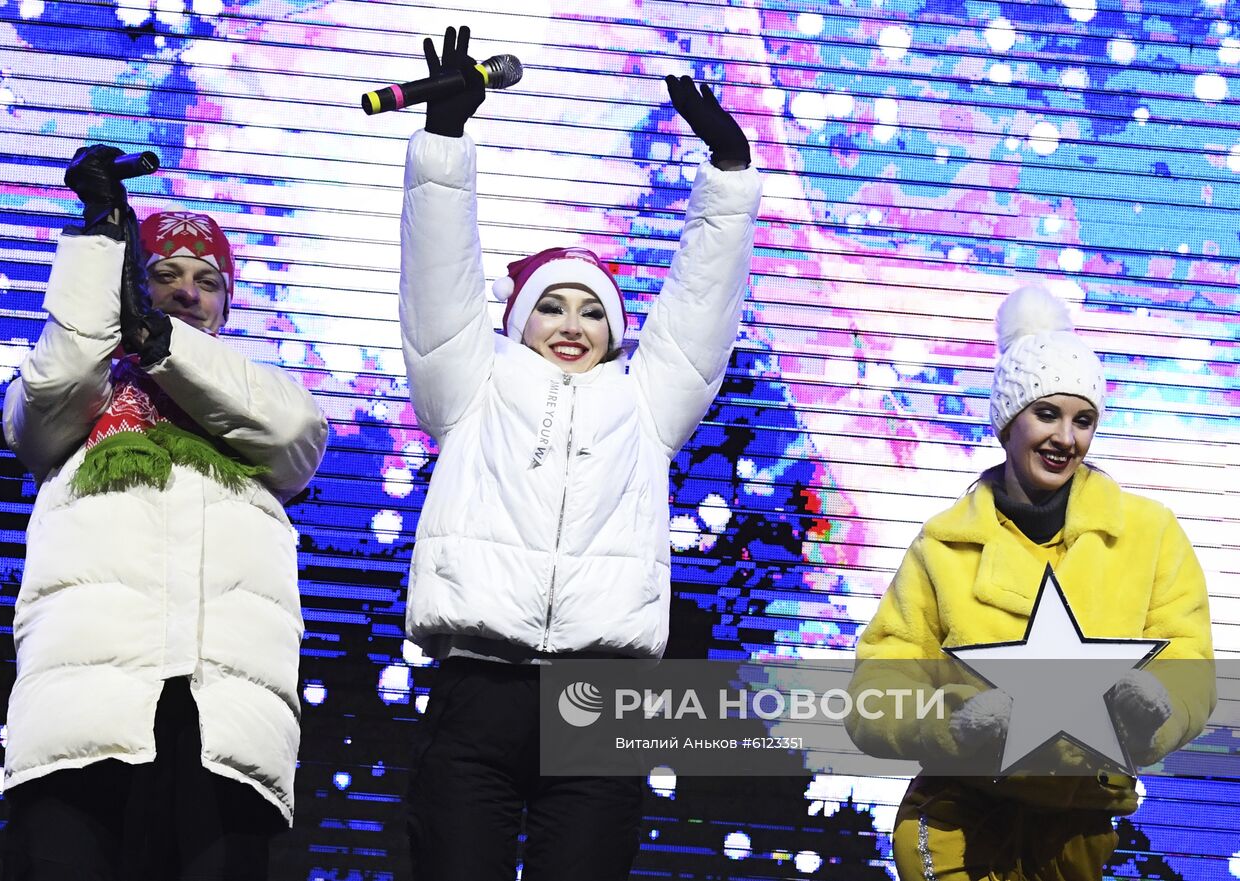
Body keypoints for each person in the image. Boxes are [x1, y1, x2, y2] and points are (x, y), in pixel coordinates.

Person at [395, 25, 764, 881]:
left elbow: (702, 306)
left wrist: (730, 179)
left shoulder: (645, 403)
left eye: (591, 310)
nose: (571, 325)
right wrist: (443, 142)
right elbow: (437, 280)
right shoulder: (470, 385)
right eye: (550, 307)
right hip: (478, 688)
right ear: (517, 321)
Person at [0, 145, 329, 880]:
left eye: (206, 281)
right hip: (86, 720)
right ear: (130, 287)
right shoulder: (82, 402)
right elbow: (53, 384)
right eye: (163, 275)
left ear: (227, 303)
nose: (186, 292)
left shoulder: (261, 396)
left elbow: (295, 439)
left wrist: (162, 344)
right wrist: (100, 238)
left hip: (222, 725)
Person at [846, 285, 1215, 881]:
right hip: (960, 824)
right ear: (1007, 420)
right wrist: (956, 724)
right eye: (1047, 413)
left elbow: (1189, 663)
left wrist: (1157, 711)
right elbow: (873, 696)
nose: (1066, 439)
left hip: (1082, 830)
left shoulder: (1149, 535)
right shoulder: (944, 545)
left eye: (1084, 420)